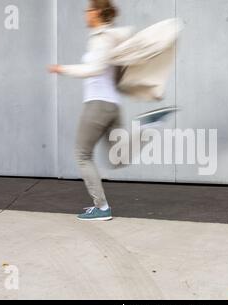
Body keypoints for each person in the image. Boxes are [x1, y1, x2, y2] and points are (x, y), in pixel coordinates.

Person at [48, 0, 174, 221]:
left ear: (97, 13)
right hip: (112, 106)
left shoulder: (102, 39)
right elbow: (116, 75)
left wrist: (62, 69)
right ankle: (148, 127)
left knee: (82, 155)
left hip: (97, 105)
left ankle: (102, 207)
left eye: (88, 10)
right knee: (118, 159)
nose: (85, 14)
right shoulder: (111, 39)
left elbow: (94, 69)